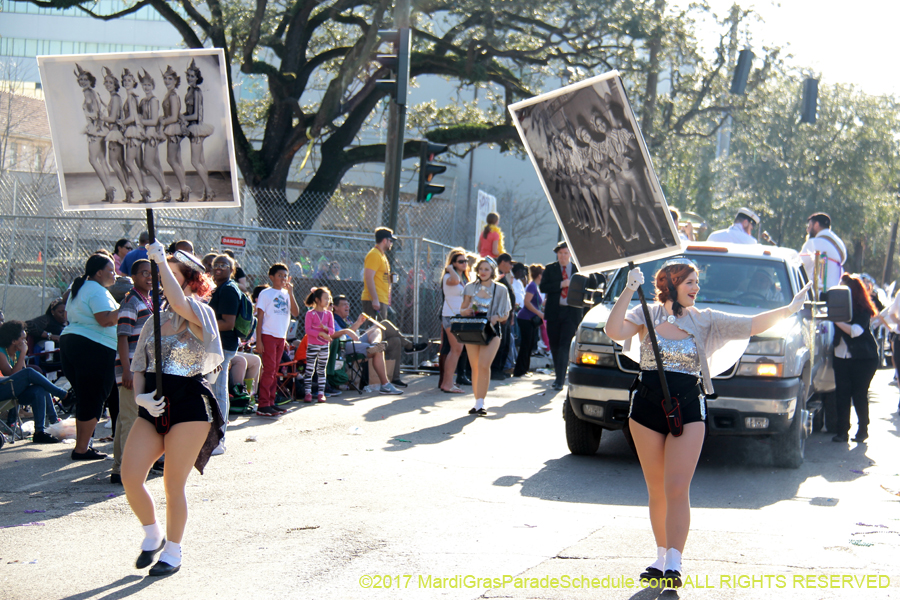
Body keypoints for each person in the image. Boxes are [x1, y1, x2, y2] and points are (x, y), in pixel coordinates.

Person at [604, 259, 810, 587]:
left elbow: (751, 324)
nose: (696, 288)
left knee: (676, 487)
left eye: (696, 282)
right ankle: (660, 557)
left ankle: (674, 562)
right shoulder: (647, 313)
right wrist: (628, 290)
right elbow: (613, 331)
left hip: (687, 408)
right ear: (671, 284)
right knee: (656, 488)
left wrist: (789, 309)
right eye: (690, 282)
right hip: (645, 408)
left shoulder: (706, 319)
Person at [121, 242, 224, 577]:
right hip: (154, 403)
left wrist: (161, 260)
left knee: (172, 483)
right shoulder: (155, 319)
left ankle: (174, 551)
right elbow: (139, 365)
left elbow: (179, 302)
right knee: (130, 476)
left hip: (190, 404)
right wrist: (141, 398)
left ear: (190, 280)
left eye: (171, 274)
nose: (161, 279)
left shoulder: (201, 313)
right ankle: (153, 534)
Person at [59, 254, 119, 460]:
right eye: (111, 271)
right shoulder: (96, 290)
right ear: (99, 272)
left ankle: (83, 446)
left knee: (86, 397)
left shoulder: (82, 287)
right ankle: (81, 449)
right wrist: (126, 308)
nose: (115, 275)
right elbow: (105, 319)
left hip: (72, 342)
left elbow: (68, 316)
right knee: (92, 398)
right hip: (93, 346)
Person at [111, 259, 154, 484]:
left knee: (124, 419)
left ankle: (119, 467)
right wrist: (126, 371)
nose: (149, 277)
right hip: (130, 369)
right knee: (131, 419)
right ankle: (127, 470)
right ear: (134, 277)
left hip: (142, 368)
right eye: (144, 273)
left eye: (152, 273)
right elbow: (123, 337)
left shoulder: (148, 300)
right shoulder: (131, 301)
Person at [458, 257, 511, 416]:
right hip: (473, 328)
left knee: (483, 365)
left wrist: (496, 317)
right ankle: (477, 402)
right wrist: (466, 311)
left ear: (492, 271)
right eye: (481, 269)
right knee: (474, 366)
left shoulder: (501, 289)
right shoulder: (469, 287)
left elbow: (506, 314)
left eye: (486, 269)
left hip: (492, 330)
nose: (483, 272)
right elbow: (462, 309)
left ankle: (481, 402)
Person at [831, 274, 879, 443]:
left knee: (859, 394)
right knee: (842, 394)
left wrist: (835, 320)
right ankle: (842, 432)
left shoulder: (863, 310)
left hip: (864, 358)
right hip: (841, 356)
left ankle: (863, 430)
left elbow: (855, 331)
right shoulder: (836, 309)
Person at [330, 295, 401, 395]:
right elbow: (344, 335)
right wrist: (358, 323)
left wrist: (357, 324)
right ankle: (385, 385)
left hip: (355, 341)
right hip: (344, 345)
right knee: (379, 350)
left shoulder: (346, 319)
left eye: (348, 304)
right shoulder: (333, 318)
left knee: (377, 328)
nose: (347, 307)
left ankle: (374, 345)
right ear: (335, 307)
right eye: (344, 305)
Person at [256, 263, 300, 416]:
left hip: (281, 337)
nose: (283, 278)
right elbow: (260, 318)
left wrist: (291, 293)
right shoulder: (266, 294)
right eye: (279, 275)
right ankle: (263, 404)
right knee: (269, 370)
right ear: (271, 277)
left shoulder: (287, 294)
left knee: (275, 371)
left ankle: (271, 402)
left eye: (285, 276)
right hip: (268, 335)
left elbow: (296, 312)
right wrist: (259, 340)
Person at [207, 254, 242, 448]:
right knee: (214, 391)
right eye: (216, 264)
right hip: (217, 346)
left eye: (224, 265)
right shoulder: (219, 288)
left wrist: (201, 325)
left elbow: (228, 323)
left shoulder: (228, 289)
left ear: (232, 269)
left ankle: (219, 440)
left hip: (222, 347)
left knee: (219, 392)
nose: (219, 267)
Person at [540, 241, 581, 390]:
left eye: (565, 253)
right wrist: (560, 284)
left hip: (571, 312)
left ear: (570, 254)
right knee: (555, 345)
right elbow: (543, 287)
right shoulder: (550, 268)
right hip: (554, 312)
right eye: (560, 253)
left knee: (565, 345)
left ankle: (560, 379)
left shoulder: (577, 269)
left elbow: (587, 286)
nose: (563, 256)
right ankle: (558, 374)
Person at [75, 63, 115, 203]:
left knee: (93, 160)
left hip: (96, 130)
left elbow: (96, 111)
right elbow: (100, 108)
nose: (83, 81)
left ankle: (108, 189)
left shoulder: (88, 93)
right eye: (80, 79)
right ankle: (109, 190)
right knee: (102, 160)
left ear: (90, 80)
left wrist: (95, 127)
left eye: (85, 79)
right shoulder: (94, 92)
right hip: (100, 128)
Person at [0, 365, 68, 445]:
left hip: (8, 387)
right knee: (28, 372)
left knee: (39, 389)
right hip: (4, 388)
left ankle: (39, 432)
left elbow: (13, 373)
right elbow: (12, 373)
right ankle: (65, 396)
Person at [183, 60, 216, 201]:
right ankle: (206, 194)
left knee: (195, 162)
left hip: (196, 128)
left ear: (197, 78)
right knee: (201, 162)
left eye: (192, 76)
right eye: (188, 75)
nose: (189, 78)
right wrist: (183, 115)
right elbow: (189, 111)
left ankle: (209, 190)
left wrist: (182, 117)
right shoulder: (189, 90)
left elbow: (196, 115)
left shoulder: (197, 92)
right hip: (192, 127)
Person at [138, 69, 171, 202]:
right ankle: (166, 194)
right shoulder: (142, 101)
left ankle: (165, 188)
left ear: (152, 86)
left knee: (148, 164)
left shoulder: (153, 100)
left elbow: (153, 121)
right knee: (156, 165)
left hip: (151, 133)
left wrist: (140, 121)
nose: (146, 87)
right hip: (145, 133)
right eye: (144, 85)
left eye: (148, 85)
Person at [120, 68, 152, 204]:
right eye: (125, 80)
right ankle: (144, 193)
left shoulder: (131, 97)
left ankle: (142, 190)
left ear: (134, 82)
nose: (127, 82)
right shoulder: (132, 96)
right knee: (139, 165)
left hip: (133, 131)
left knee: (129, 162)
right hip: (135, 131)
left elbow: (133, 117)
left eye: (129, 80)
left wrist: (121, 122)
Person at [440, 248, 470, 393]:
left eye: (466, 261)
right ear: (453, 263)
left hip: (459, 316)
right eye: (461, 261)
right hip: (451, 316)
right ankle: (447, 383)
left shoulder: (463, 278)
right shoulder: (449, 277)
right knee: (456, 349)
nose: (464, 263)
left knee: (457, 350)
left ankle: (448, 382)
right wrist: (450, 269)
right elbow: (455, 281)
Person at [160, 65, 191, 202]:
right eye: (165, 78)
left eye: (170, 79)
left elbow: (173, 117)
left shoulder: (173, 95)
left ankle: (184, 188)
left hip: (173, 129)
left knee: (171, 159)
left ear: (175, 80)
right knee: (177, 160)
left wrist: (162, 121)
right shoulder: (169, 94)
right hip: (172, 128)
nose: (167, 81)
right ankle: (184, 190)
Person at [799, 212, 846, 291]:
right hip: (835, 292)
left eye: (809, 226)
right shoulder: (840, 244)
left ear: (816, 225)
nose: (807, 230)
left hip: (817, 292)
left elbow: (800, 267)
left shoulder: (813, 243)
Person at [303, 288, 335, 403]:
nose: (328, 301)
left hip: (324, 346)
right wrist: (321, 333)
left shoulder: (329, 314)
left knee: (321, 369)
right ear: (317, 299)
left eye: (329, 298)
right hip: (313, 345)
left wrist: (326, 329)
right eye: (325, 298)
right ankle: (308, 392)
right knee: (309, 369)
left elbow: (332, 331)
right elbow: (308, 330)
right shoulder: (310, 314)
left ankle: (321, 393)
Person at [514, 264, 544, 377]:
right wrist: (539, 313)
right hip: (525, 318)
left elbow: (536, 303)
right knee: (526, 345)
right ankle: (519, 370)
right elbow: (527, 302)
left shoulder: (536, 286)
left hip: (530, 319)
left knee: (530, 344)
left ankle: (524, 369)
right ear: (540, 275)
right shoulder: (532, 286)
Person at [491, 253, 516, 381]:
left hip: (507, 315)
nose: (511, 266)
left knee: (506, 344)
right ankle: (495, 370)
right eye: (510, 263)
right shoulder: (497, 278)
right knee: (499, 345)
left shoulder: (505, 277)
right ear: (503, 262)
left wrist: (511, 315)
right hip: (500, 316)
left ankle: (500, 369)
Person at [362, 227, 397, 319]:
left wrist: (391, 278)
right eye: (390, 241)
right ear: (384, 240)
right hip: (374, 300)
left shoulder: (382, 255)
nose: (391, 243)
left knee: (381, 327)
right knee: (373, 328)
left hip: (382, 299)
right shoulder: (374, 254)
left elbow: (381, 276)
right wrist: (375, 299)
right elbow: (369, 277)